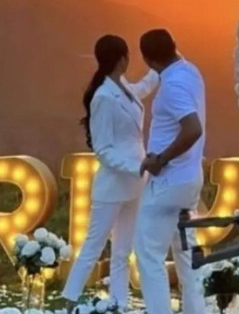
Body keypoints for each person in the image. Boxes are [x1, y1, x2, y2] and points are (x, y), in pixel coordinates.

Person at [63, 35, 159, 311]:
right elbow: (103, 150)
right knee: (93, 246)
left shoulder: (123, 87)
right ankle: (69, 300)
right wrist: (136, 166)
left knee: (122, 251)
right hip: (114, 184)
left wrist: (160, 66)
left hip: (134, 185)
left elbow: (141, 89)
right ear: (122, 59)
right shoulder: (103, 96)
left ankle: (119, 303)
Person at [134, 29, 206, 314]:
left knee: (148, 255)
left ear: (147, 60)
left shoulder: (172, 87)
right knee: (186, 256)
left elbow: (193, 129)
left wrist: (161, 159)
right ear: (175, 46)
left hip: (168, 183)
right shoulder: (190, 71)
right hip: (189, 180)